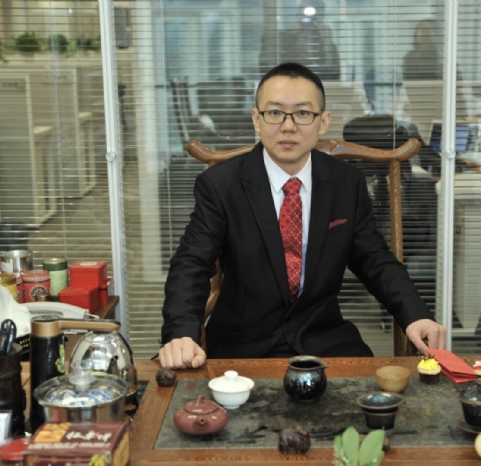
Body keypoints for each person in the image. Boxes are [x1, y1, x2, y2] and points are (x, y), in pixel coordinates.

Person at [159, 62, 446, 369]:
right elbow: (192, 263)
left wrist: (416, 315)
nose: (288, 126)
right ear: (256, 119)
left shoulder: (346, 182)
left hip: (323, 337)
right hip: (242, 342)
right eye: (275, 112)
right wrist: (181, 334)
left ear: (324, 121)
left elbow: (374, 259)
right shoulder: (221, 185)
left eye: (303, 113)